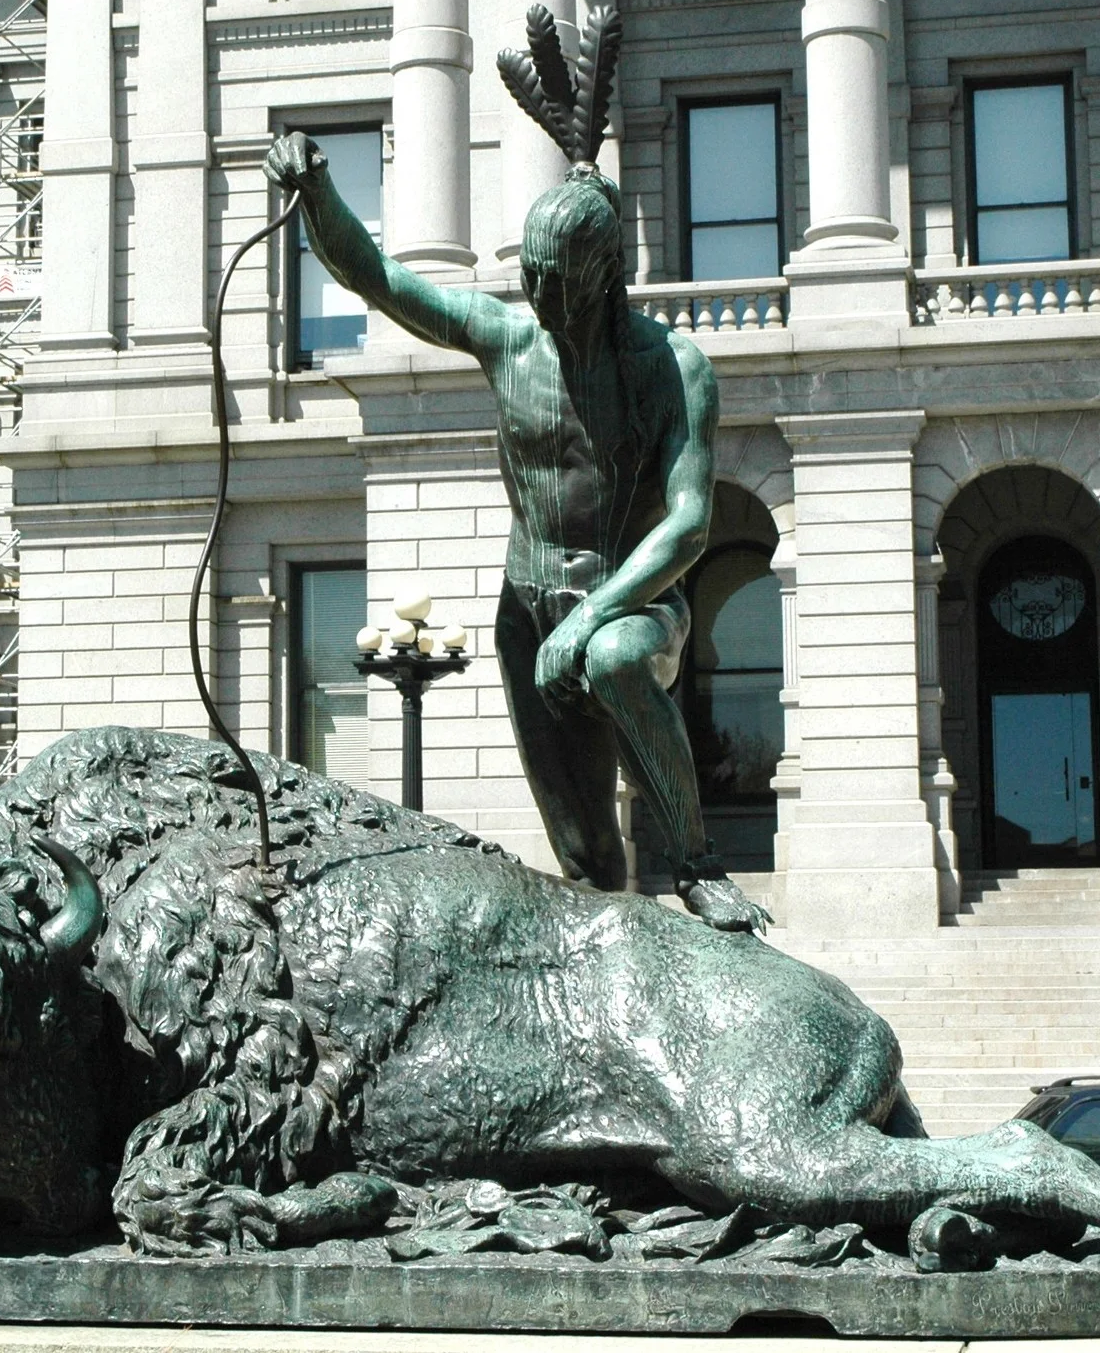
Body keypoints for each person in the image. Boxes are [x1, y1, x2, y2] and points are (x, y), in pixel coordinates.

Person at [262, 112, 770, 935]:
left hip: (632, 605)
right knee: (588, 861)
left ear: (604, 274)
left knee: (611, 657)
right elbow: (378, 277)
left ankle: (699, 866)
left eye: (555, 278)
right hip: (527, 615)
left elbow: (687, 527)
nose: (537, 293)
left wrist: (597, 614)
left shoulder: (673, 368)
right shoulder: (507, 340)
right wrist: (318, 191)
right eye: (530, 274)